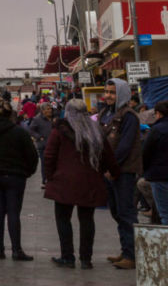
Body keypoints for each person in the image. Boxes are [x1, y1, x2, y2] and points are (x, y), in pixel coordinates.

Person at [44, 98, 118, 269]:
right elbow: (107, 156)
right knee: (87, 220)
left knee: (63, 219)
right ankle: (86, 259)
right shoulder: (95, 130)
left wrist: (50, 177)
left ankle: (67, 257)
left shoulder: (59, 131)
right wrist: (114, 173)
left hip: (64, 182)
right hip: (90, 182)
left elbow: (49, 156)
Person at [0, 96, 37, 261]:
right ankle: (16, 250)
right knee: (13, 212)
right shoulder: (18, 132)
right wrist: (28, 171)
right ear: (9, 113)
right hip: (15, 176)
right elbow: (32, 155)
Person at [99, 77, 141, 270]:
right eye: (107, 92)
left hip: (122, 172)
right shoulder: (106, 114)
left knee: (126, 213)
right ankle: (125, 251)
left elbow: (124, 147)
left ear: (122, 94)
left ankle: (132, 256)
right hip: (109, 171)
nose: (108, 96)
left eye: (112, 93)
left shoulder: (129, 116)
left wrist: (111, 168)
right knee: (117, 212)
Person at [143, 100, 168, 227]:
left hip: (159, 175)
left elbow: (146, 152)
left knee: (165, 213)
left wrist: (145, 170)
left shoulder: (156, 130)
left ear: (158, 114)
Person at [27, 102, 55, 184]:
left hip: (53, 144)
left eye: (50, 109)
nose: (50, 111)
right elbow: (31, 130)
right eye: (48, 109)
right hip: (43, 145)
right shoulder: (37, 119)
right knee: (45, 163)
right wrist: (39, 137)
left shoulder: (53, 118)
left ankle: (52, 178)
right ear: (42, 110)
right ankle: (45, 179)